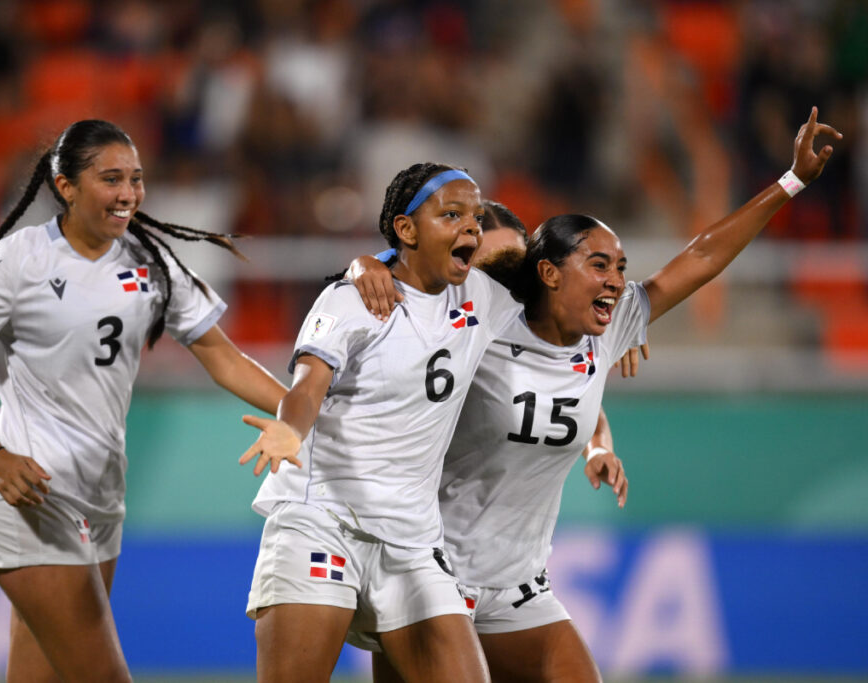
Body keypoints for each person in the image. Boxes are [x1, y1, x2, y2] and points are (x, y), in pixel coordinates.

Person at [353, 108, 840, 682]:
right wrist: (368, 263)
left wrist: (791, 182)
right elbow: (420, 272)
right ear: (551, 274)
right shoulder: (479, 327)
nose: (616, 279)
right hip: (434, 576)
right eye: (599, 264)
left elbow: (702, 257)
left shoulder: (605, 335)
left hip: (517, 587)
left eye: (621, 267)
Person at [0, 120, 287, 683]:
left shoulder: (149, 259)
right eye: (111, 179)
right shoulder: (20, 259)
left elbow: (220, 355)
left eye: (136, 179)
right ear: (65, 186)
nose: (129, 194)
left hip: (102, 494)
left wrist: (303, 412)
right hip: (32, 494)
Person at [238, 162, 533, 683]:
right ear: (406, 228)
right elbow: (308, 387)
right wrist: (290, 428)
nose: (471, 227)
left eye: (476, 217)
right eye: (452, 214)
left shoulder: (482, 299)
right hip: (323, 519)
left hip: (413, 540)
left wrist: (623, 324)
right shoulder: (348, 300)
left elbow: (566, 319)